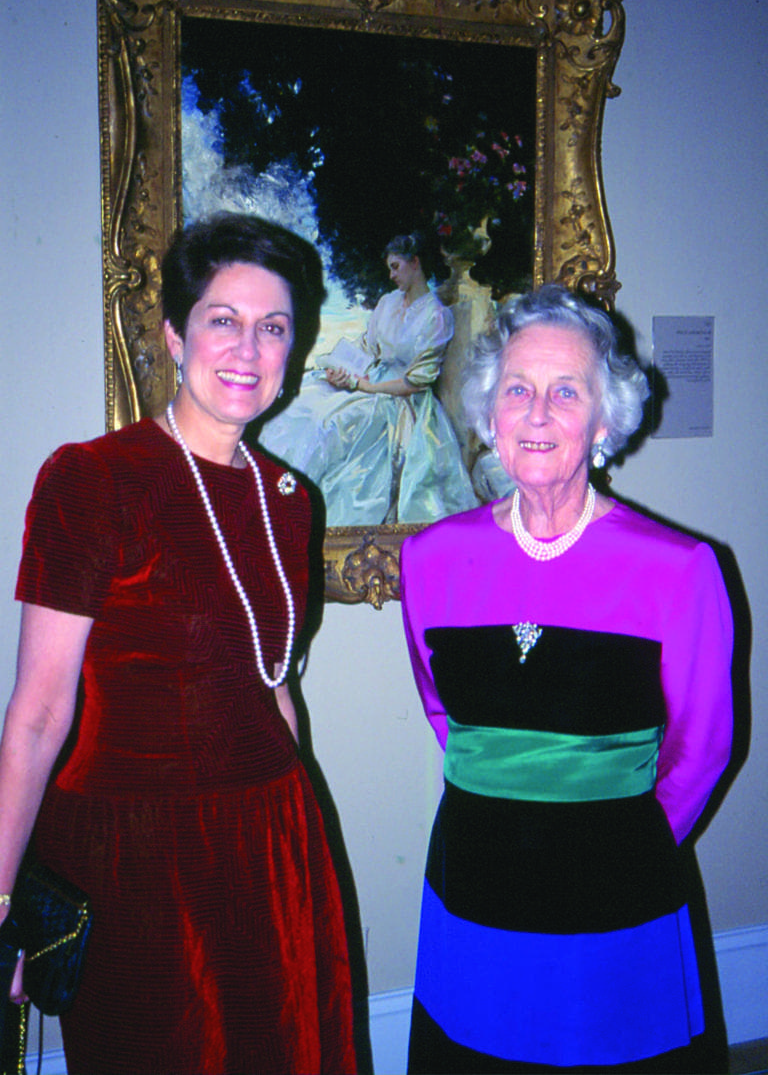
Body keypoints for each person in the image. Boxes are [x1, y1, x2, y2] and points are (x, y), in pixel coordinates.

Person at [0, 212, 357, 1074]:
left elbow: (272, 683)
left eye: (274, 326)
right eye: (222, 319)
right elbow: (39, 713)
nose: (248, 347)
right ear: (174, 334)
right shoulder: (93, 478)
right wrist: (4, 897)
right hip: (133, 857)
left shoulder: (289, 500)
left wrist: (299, 822)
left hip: (270, 835)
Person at [401, 284, 733, 1073]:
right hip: (473, 881)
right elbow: (444, 710)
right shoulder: (431, 560)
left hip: (616, 892)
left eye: (566, 390)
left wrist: (612, 847)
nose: (538, 412)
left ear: (605, 419)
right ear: (489, 414)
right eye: (518, 388)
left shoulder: (680, 570)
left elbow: (704, 746)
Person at [259, 232, 477, 524]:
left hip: (401, 400)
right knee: (301, 404)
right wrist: (342, 370)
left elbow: (415, 382)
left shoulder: (435, 316)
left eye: (396, 267)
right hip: (368, 379)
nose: (392, 275)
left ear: (415, 263)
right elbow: (367, 348)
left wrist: (363, 386)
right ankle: (274, 504)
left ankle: (299, 512)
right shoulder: (388, 302)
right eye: (389, 268)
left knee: (331, 424)